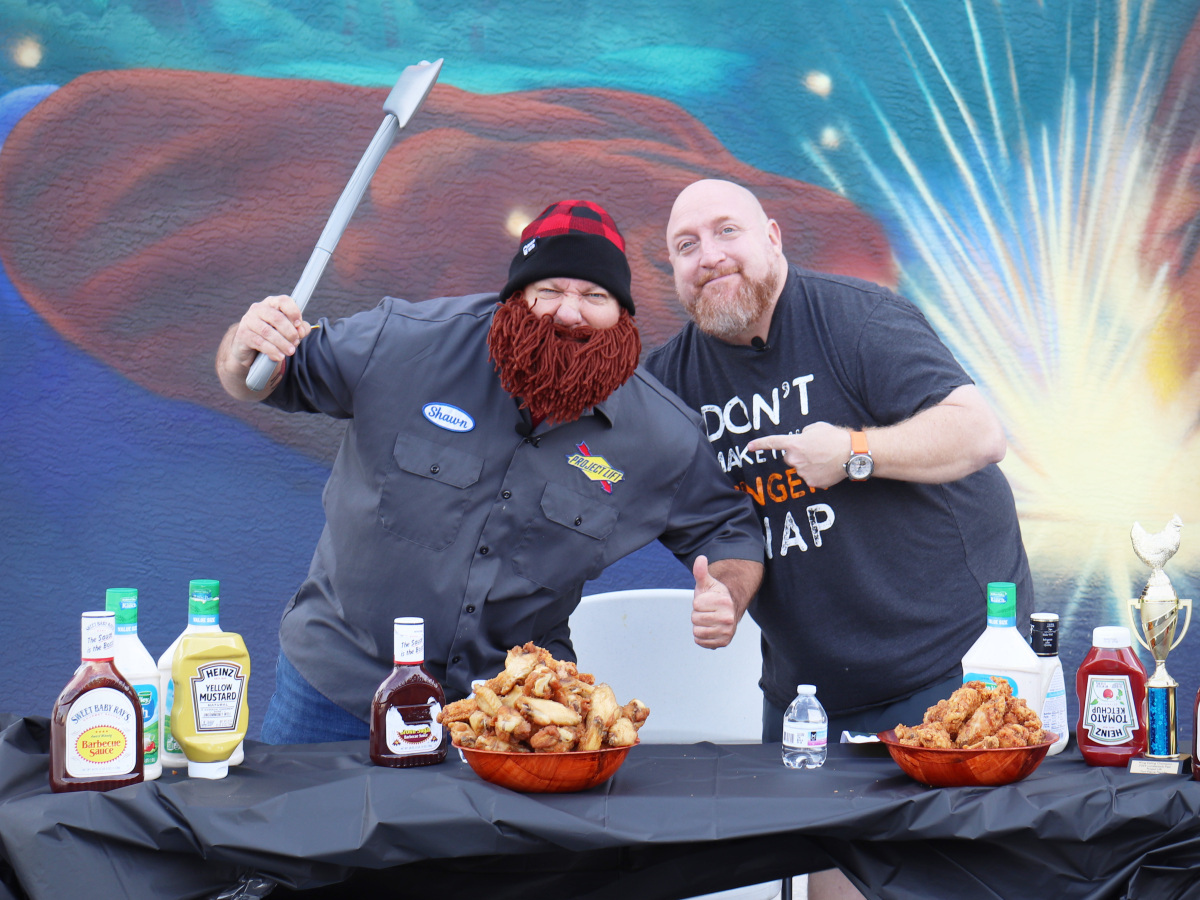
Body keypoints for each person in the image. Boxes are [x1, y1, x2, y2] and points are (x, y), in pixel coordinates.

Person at [216, 198, 763, 744]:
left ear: (622, 314)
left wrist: (727, 594)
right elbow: (260, 377)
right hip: (336, 692)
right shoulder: (404, 343)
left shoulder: (661, 434)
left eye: (595, 296)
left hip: (507, 721)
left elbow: (729, 528)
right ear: (516, 298)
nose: (569, 313)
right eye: (550, 290)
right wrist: (246, 346)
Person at [646, 179, 1033, 900]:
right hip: (811, 698)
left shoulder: (857, 319)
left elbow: (980, 434)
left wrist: (854, 452)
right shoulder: (668, 385)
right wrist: (726, 595)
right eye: (686, 245)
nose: (710, 255)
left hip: (947, 673)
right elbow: (724, 528)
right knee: (831, 891)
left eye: (727, 231)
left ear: (772, 237)